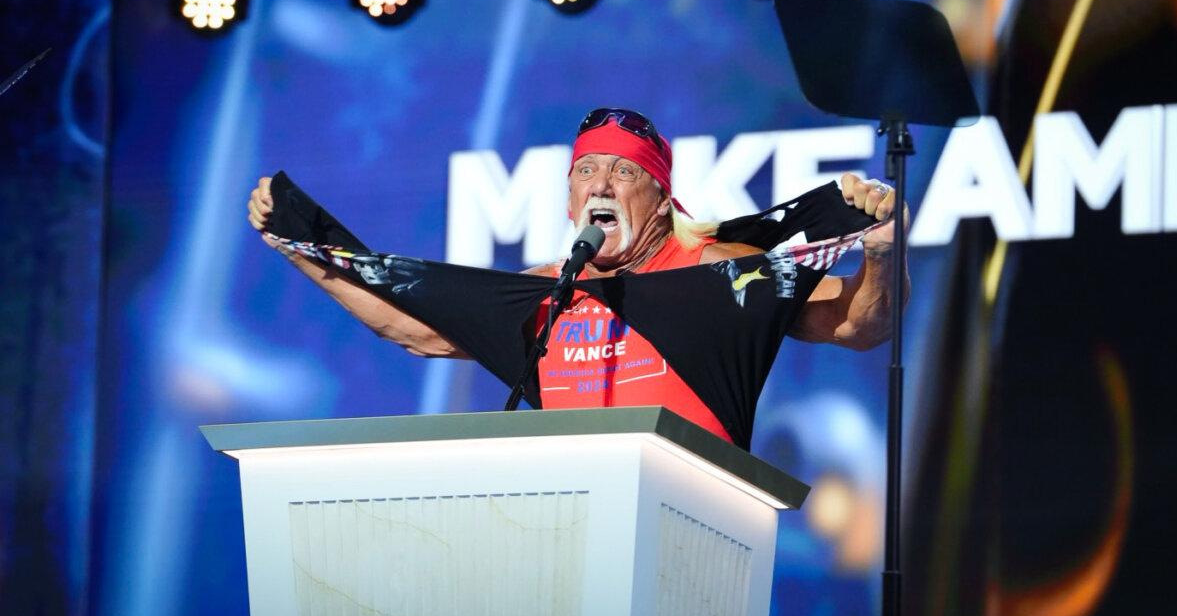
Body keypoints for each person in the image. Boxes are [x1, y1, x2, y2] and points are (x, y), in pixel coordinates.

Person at [247, 108, 908, 443]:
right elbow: (412, 329)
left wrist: (881, 254)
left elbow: (859, 324)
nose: (602, 184)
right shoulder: (549, 293)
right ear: (569, 202)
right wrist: (300, 248)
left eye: (623, 173)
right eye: (586, 173)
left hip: (697, 533)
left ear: (660, 199)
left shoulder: (717, 271)